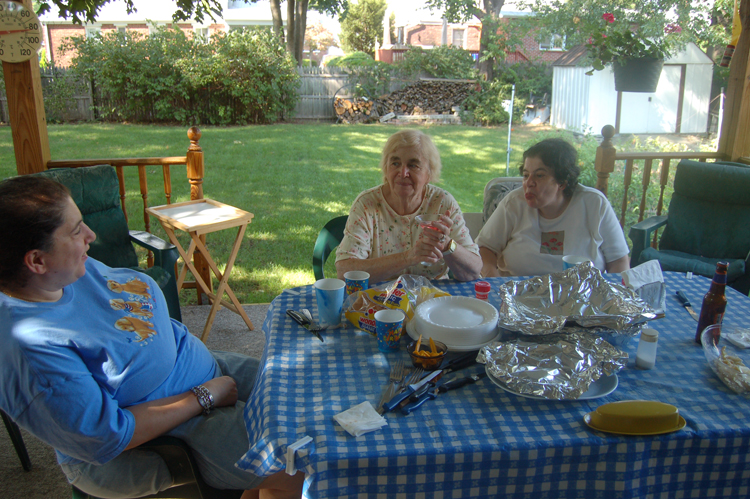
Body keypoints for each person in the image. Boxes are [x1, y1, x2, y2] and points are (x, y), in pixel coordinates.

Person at [0, 176, 303, 499]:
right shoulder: (32, 350)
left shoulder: (64, 271)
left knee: (309, 397)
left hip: (201, 371)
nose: (91, 235)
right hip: (169, 430)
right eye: (76, 231)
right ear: (36, 260)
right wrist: (202, 397)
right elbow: (106, 435)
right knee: (304, 464)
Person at [335, 129, 482, 283]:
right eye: (395, 163)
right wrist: (407, 257)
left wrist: (447, 245)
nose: (403, 173)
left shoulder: (442, 203)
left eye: (413, 165)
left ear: (429, 173)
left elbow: (473, 272)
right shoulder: (367, 205)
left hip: (433, 301)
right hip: (379, 302)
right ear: (386, 168)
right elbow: (344, 272)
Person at [476, 138, 630, 277]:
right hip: (518, 297)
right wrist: (492, 279)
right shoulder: (514, 203)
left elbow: (618, 262)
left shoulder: (594, 204)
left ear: (562, 182)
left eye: (539, 175)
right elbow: (485, 248)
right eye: (525, 175)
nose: (528, 183)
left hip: (581, 300)